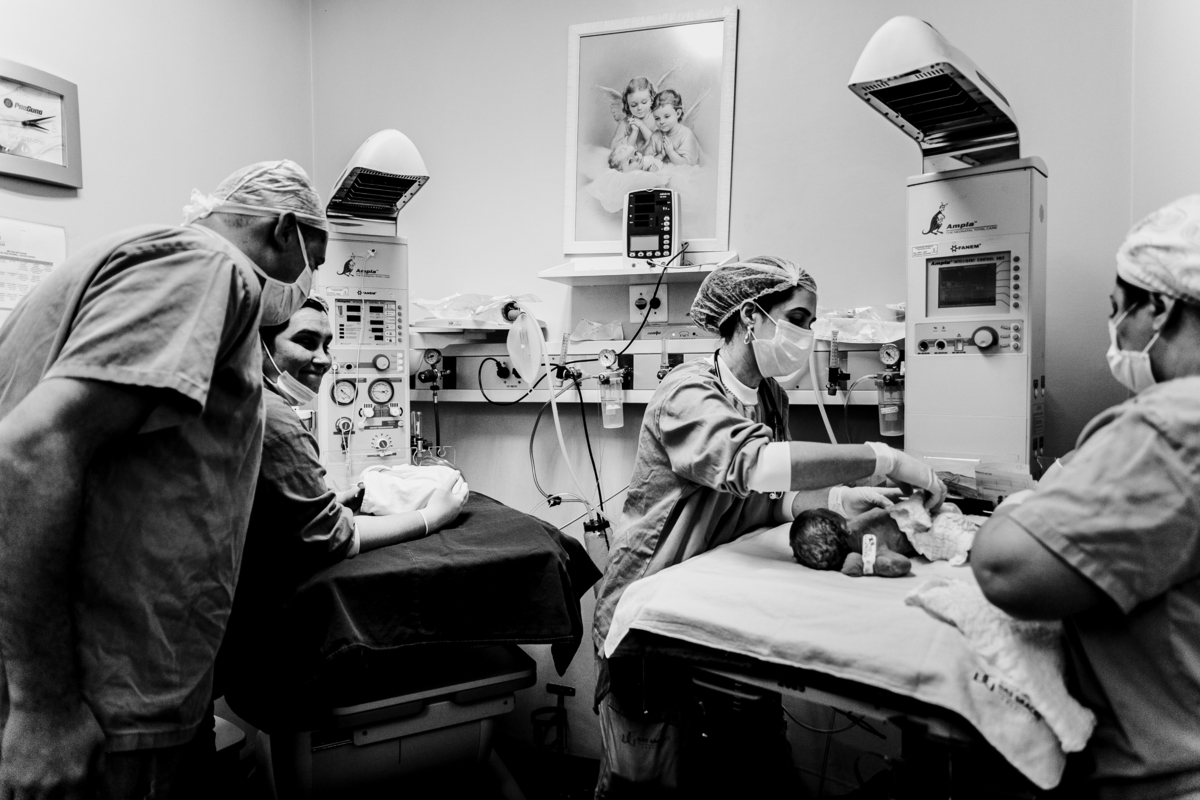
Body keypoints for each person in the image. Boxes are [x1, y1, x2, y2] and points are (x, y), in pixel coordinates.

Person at [0, 159, 326, 800]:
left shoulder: (98, 270)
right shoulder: (211, 266)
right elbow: (29, 456)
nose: (302, 284)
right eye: (312, 260)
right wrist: (44, 707)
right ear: (285, 230)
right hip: (110, 712)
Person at [592, 256, 946, 796]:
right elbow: (753, 465)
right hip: (655, 604)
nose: (807, 334)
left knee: (750, 762)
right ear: (751, 317)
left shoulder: (771, 398)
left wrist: (835, 498)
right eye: (799, 318)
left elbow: (770, 498)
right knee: (651, 779)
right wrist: (879, 457)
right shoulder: (687, 393)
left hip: (721, 597)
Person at [972, 195, 1200, 799]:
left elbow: (1005, 568)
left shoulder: (1176, 422)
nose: (1116, 329)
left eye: (1116, 310)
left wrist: (1023, 506)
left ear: (1158, 307)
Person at [217, 297, 468, 709]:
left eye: (328, 344)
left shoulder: (238, 399)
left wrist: (326, 501)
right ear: (258, 345)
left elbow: (252, 506)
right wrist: (428, 517)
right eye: (305, 341)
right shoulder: (274, 417)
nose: (322, 359)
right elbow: (331, 539)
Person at [647, 89, 700, 167]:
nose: (661, 122)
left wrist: (671, 152)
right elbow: (646, 160)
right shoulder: (655, 136)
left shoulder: (686, 134)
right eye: (657, 118)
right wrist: (661, 155)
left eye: (666, 116)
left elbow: (689, 165)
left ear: (678, 113)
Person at [609, 76, 657, 154]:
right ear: (628, 105)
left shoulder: (656, 119)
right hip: (633, 161)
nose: (639, 108)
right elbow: (615, 147)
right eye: (634, 105)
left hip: (652, 159)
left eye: (644, 102)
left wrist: (642, 125)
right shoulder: (626, 123)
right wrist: (634, 131)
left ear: (651, 100)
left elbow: (657, 145)